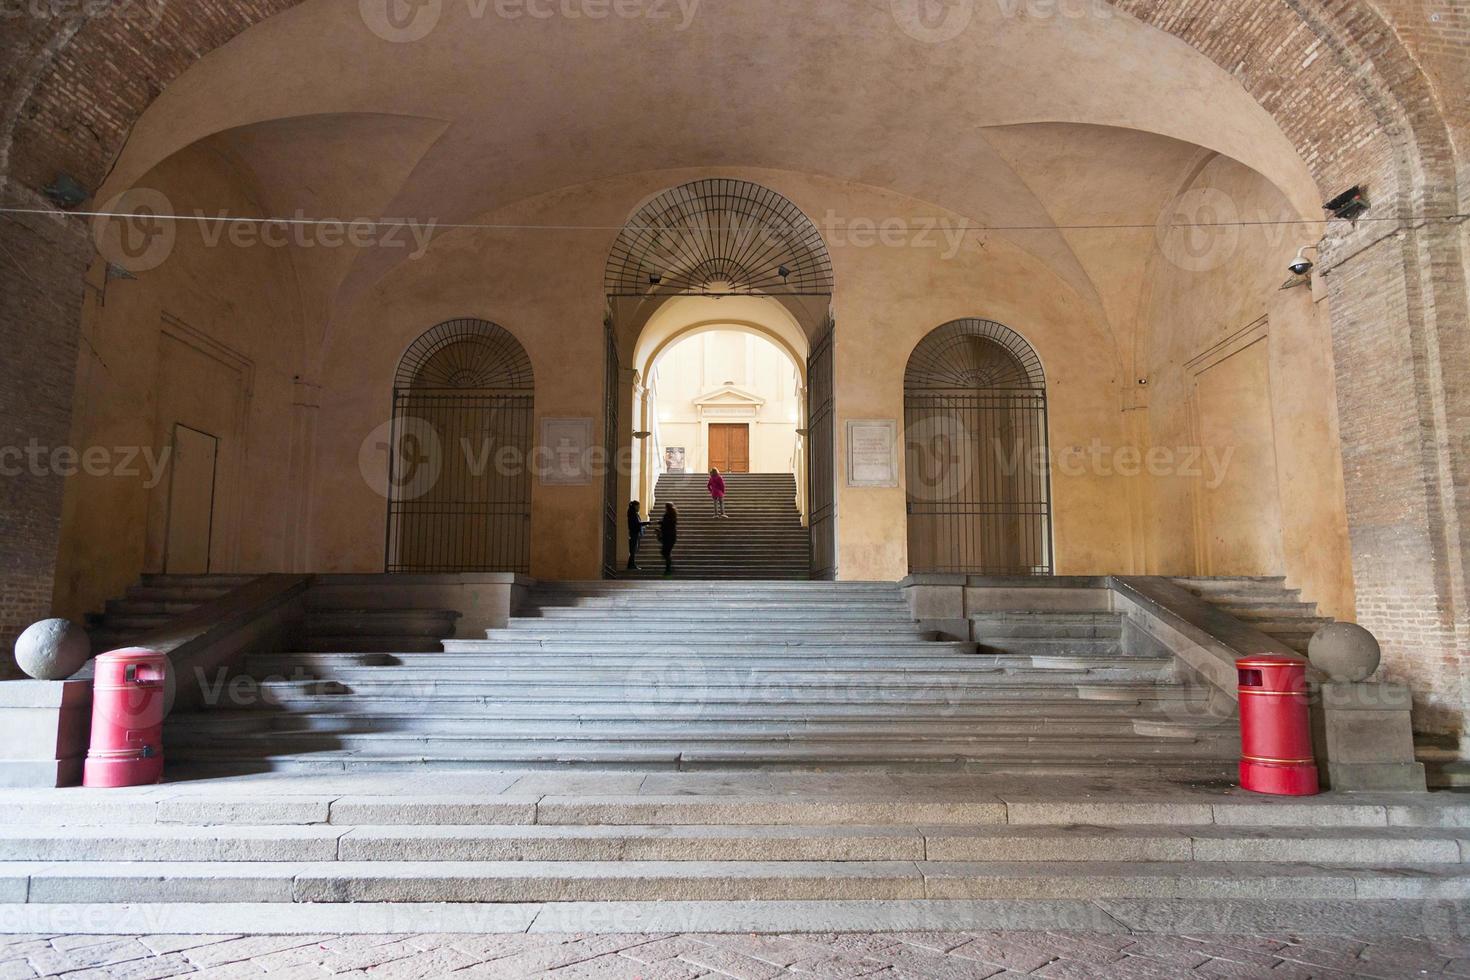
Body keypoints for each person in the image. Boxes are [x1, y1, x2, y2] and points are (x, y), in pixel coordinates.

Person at [626, 500, 648, 571]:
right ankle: (632, 565)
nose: (639, 508)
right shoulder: (633, 514)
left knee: (633, 549)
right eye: (638, 506)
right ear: (635, 506)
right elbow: (636, 524)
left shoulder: (634, 514)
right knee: (633, 549)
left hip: (635, 533)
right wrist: (646, 523)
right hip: (634, 533)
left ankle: (631, 564)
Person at [659, 502, 678, 577]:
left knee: (665, 552)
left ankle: (669, 568)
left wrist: (661, 524)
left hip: (668, 537)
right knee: (666, 552)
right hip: (671, 536)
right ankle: (669, 567)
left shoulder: (667, 515)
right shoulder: (673, 515)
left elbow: (665, 525)